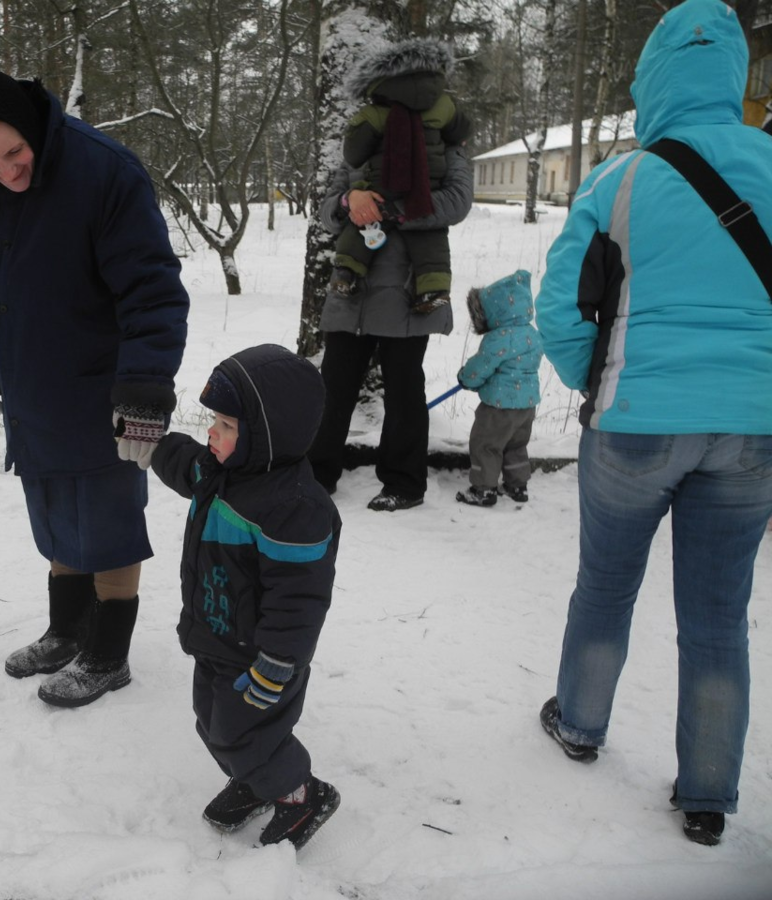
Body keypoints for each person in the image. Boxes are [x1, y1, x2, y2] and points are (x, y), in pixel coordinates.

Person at [535, 0, 772, 847]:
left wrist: (594, 384)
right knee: (719, 614)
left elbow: (560, 309)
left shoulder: (619, 177)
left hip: (634, 423)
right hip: (754, 433)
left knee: (606, 585)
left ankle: (581, 724)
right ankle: (708, 792)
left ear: (653, 81)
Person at [0, 69, 189, 708]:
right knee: (53, 513)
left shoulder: (103, 172)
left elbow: (153, 291)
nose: (5, 171)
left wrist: (143, 389)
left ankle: (108, 654)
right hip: (30, 391)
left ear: (33, 130)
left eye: (14, 153)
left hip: (102, 389)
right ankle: (67, 629)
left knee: (107, 520)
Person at [150, 343, 342, 849]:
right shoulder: (220, 473)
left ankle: (302, 795)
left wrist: (278, 662)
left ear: (268, 434)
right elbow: (183, 465)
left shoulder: (293, 510)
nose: (212, 431)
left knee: (246, 733)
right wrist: (152, 442)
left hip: (261, 657)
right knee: (212, 724)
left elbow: (299, 601)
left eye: (228, 425)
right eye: (214, 420)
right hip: (215, 639)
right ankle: (259, 779)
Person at [308, 136, 473, 509]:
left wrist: (391, 208)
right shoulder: (362, 145)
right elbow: (328, 211)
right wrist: (351, 202)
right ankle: (315, 475)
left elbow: (457, 202)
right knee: (333, 385)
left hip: (410, 289)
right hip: (351, 288)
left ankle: (404, 484)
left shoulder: (444, 145)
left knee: (404, 389)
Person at [329, 38, 471, 316]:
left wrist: (388, 209)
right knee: (431, 238)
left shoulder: (372, 115)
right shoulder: (444, 106)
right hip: (426, 190)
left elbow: (354, 152)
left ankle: (345, 274)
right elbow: (461, 129)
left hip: (381, 191)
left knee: (360, 229)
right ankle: (434, 288)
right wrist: (349, 200)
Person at [454, 270, 542, 507]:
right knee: (516, 445)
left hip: (499, 406)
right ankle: (517, 485)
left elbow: (481, 365)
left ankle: (483, 489)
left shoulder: (499, 338)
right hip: (527, 405)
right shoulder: (532, 334)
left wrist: (466, 378)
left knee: (486, 444)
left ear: (497, 310)